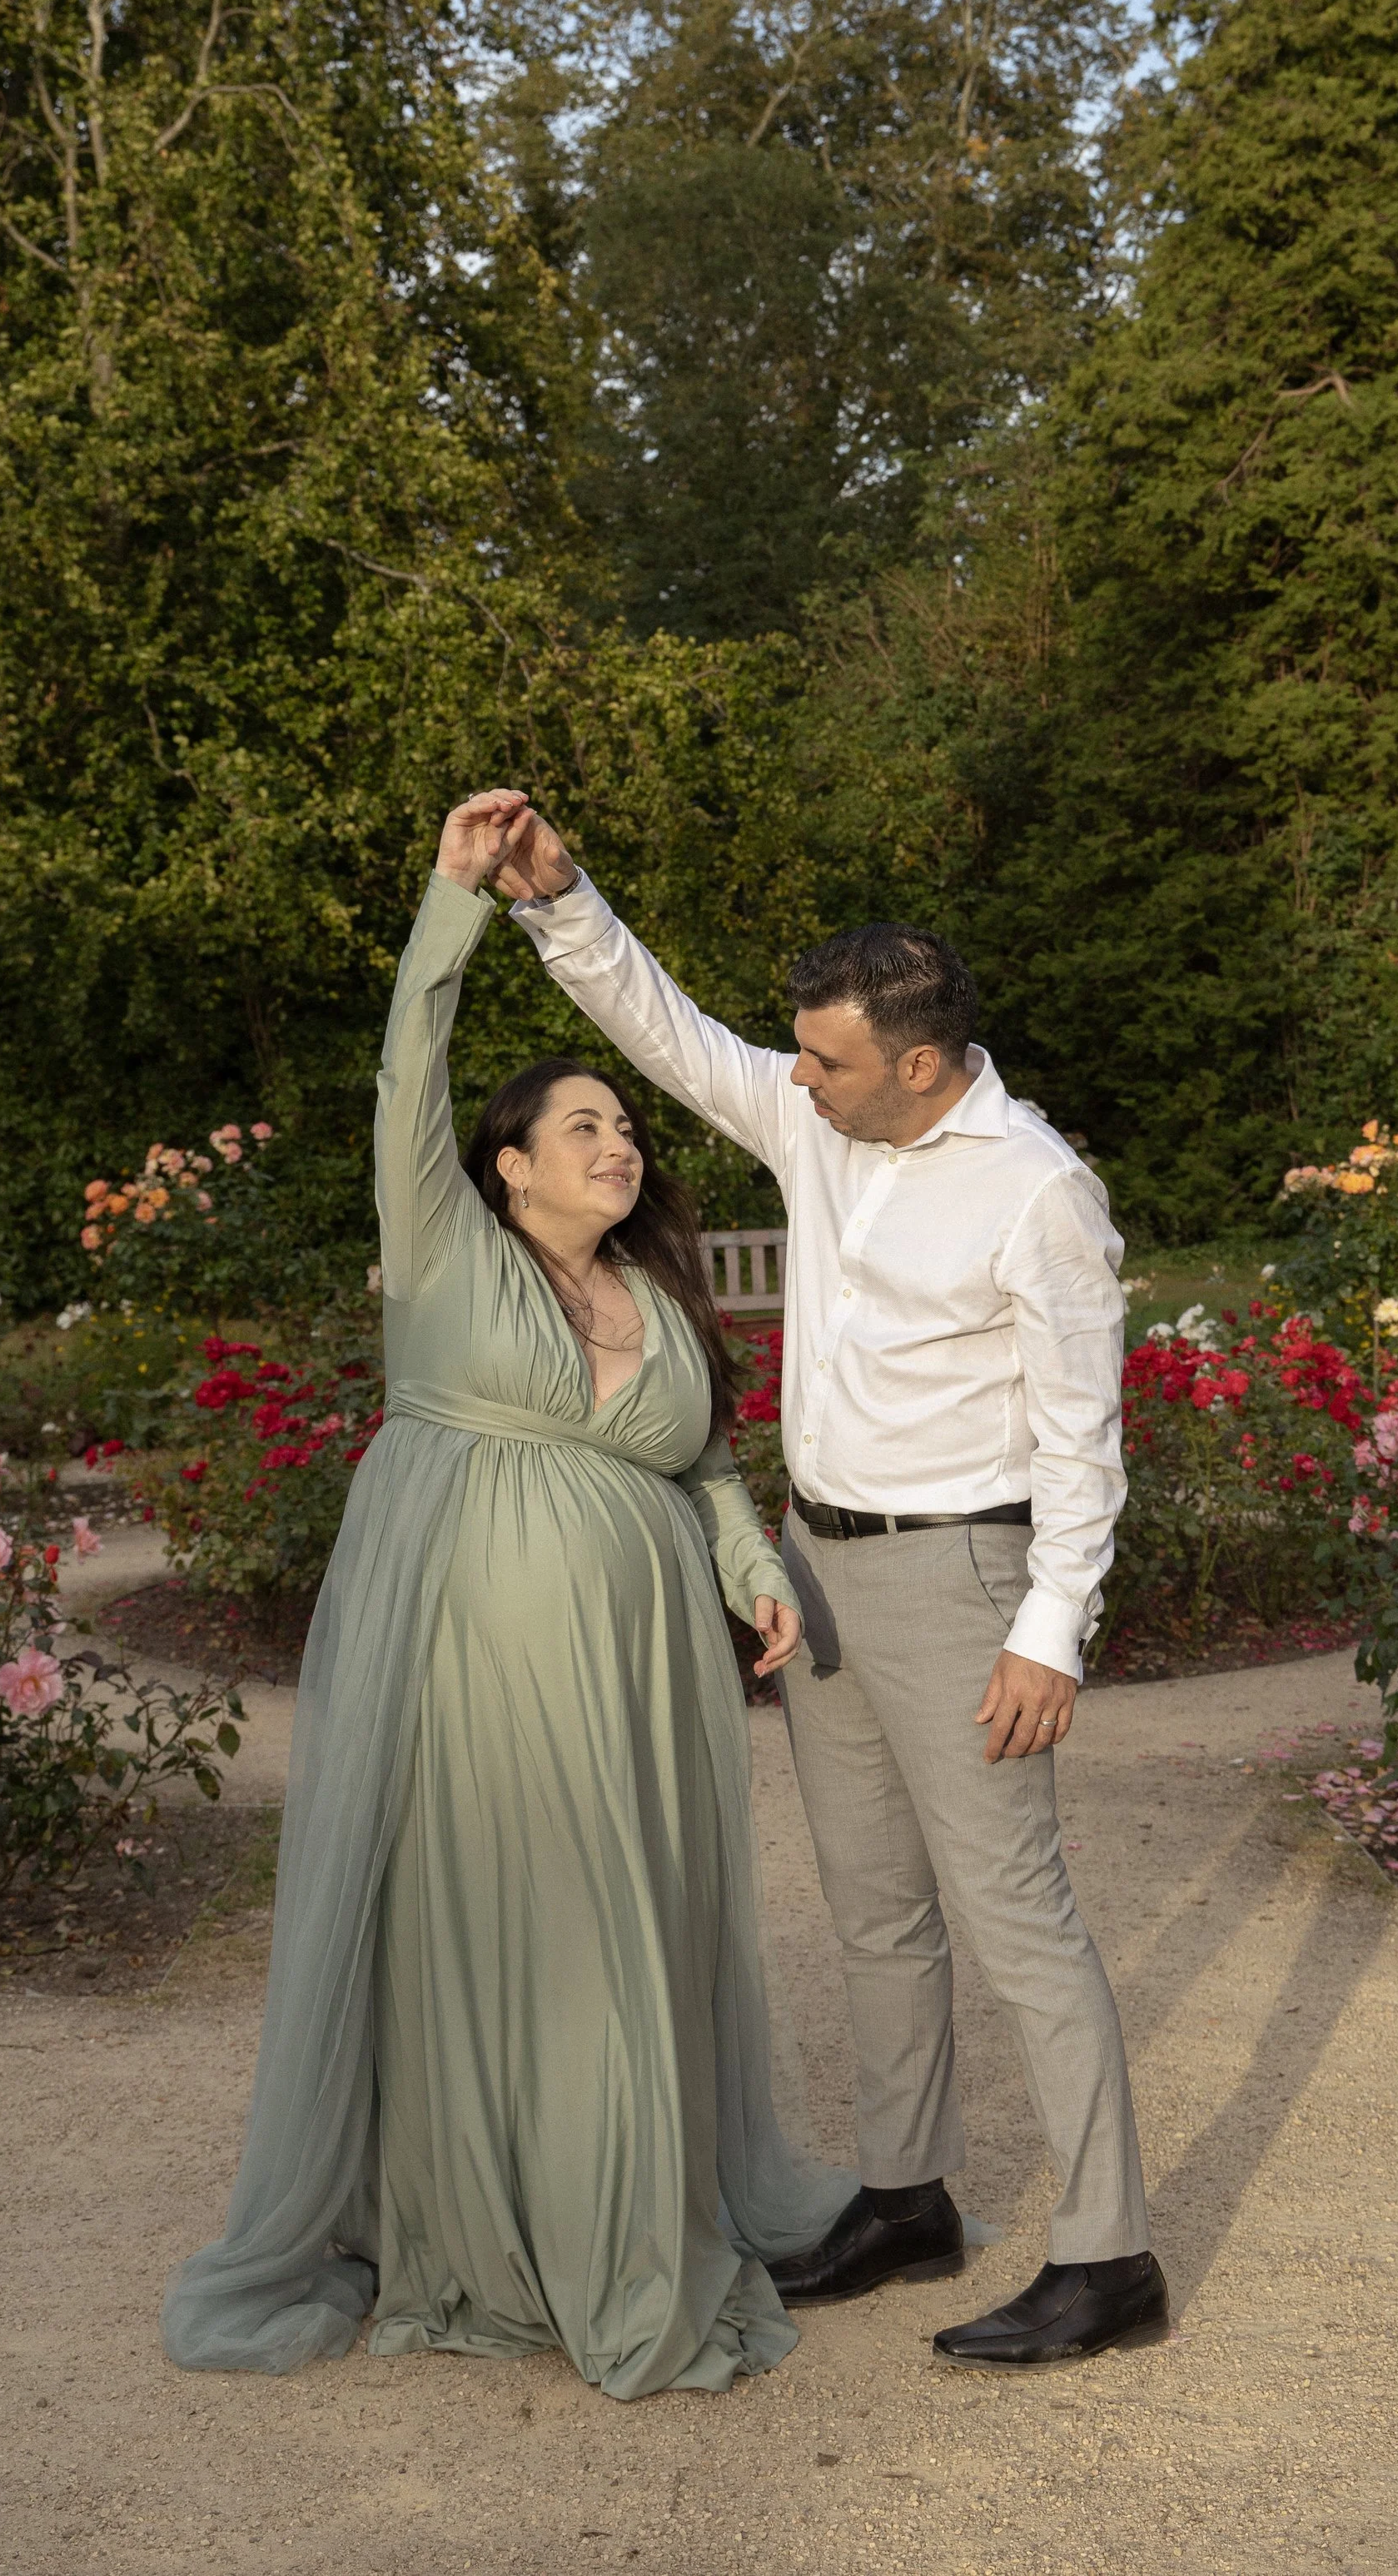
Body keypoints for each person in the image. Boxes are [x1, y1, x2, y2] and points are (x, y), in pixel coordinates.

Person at [162, 795, 850, 2395]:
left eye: (630, 1127)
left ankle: (625, 2215)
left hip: (647, 1682)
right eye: (586, 1125)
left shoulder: (656, 1300)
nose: (620, 1145)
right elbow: (409, 1077)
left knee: (640, 1943)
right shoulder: (450, 1262)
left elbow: (696, 1466)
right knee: (528, 1943)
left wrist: (752, 1563)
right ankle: (534, 2245)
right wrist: (454, 904)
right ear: (508, 1164)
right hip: (481, 1673)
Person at [491, 794, 1168, 2369]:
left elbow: (1087, 1436)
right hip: (822, 1563)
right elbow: (664, 1030)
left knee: (1020, 1921)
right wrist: (560, 897)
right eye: (799, 1053)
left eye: (828, 1057)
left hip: (965, 1578)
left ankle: (1110, 2252)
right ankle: (907, 2193)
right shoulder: (820, 1116)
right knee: (873, 1913)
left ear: (920, 1065)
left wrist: (1048, 1632)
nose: (793, 1074)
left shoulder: (1037, 1190)